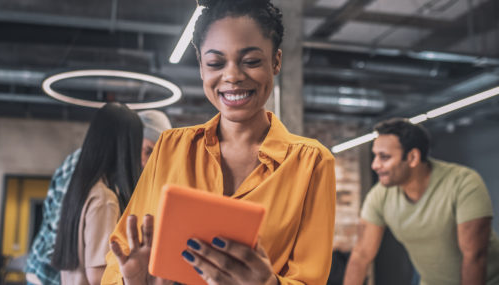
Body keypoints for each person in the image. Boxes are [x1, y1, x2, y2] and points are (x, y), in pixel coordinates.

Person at [102, 0, 337, 284]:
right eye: (215, 63)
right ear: (201, 67)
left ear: (276, 61)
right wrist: (132, 281)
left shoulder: (311, 163)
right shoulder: (170, 147)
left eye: (251, 61)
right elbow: (120, 256)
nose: (233, 76)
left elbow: (310, 279)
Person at [24, 108, 172, 285]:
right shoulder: (103, 196)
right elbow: (96, 272)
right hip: (46, 276)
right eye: (146, 150)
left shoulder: (100, 186)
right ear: (127, 143)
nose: (145, 161)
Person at [343, 118, 499, 285]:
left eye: (384, 157)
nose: (375, 165)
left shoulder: (463, 183)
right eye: (375, 156)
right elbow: (361, 255)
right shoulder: (379, 196)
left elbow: (474, 256)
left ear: (412, 157)